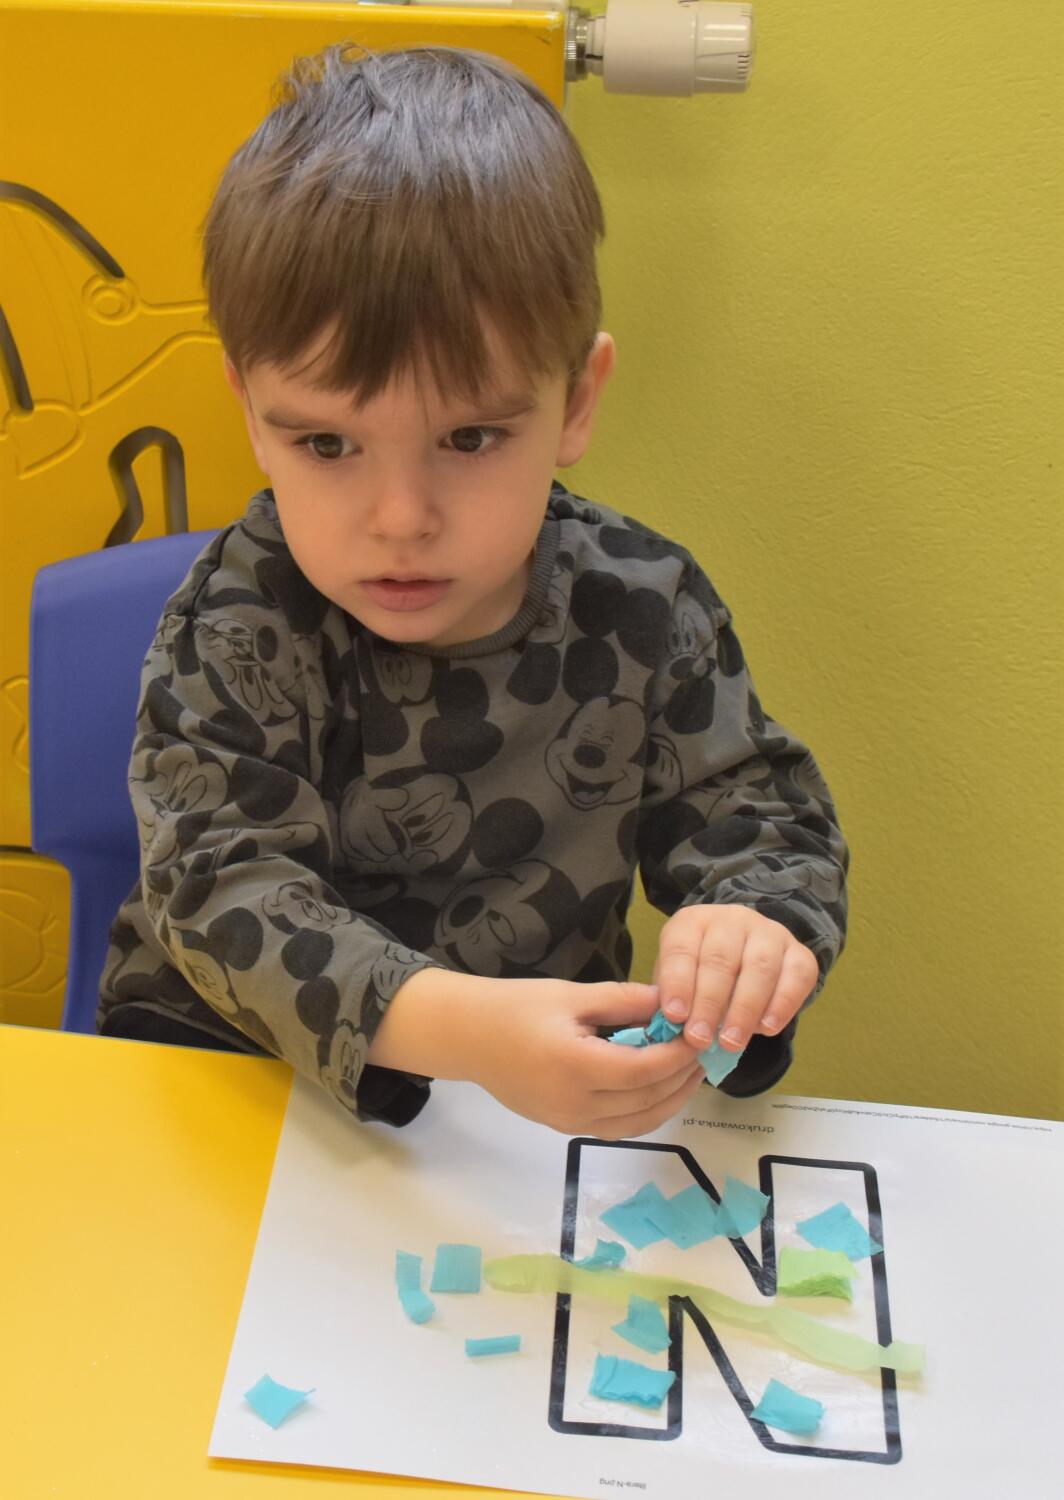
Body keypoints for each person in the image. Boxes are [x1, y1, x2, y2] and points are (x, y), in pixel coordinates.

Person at [98, 44, 848, 1139]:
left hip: (517, 1119)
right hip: (232, 1075)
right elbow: (223, 890)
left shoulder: (646, 607)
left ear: (574, 402)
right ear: (252, 413)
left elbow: (761, 815)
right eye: (326, 444)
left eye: (468, 437)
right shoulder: (242, 620)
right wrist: (469, 1034)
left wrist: (750, 930)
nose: (401, 517)